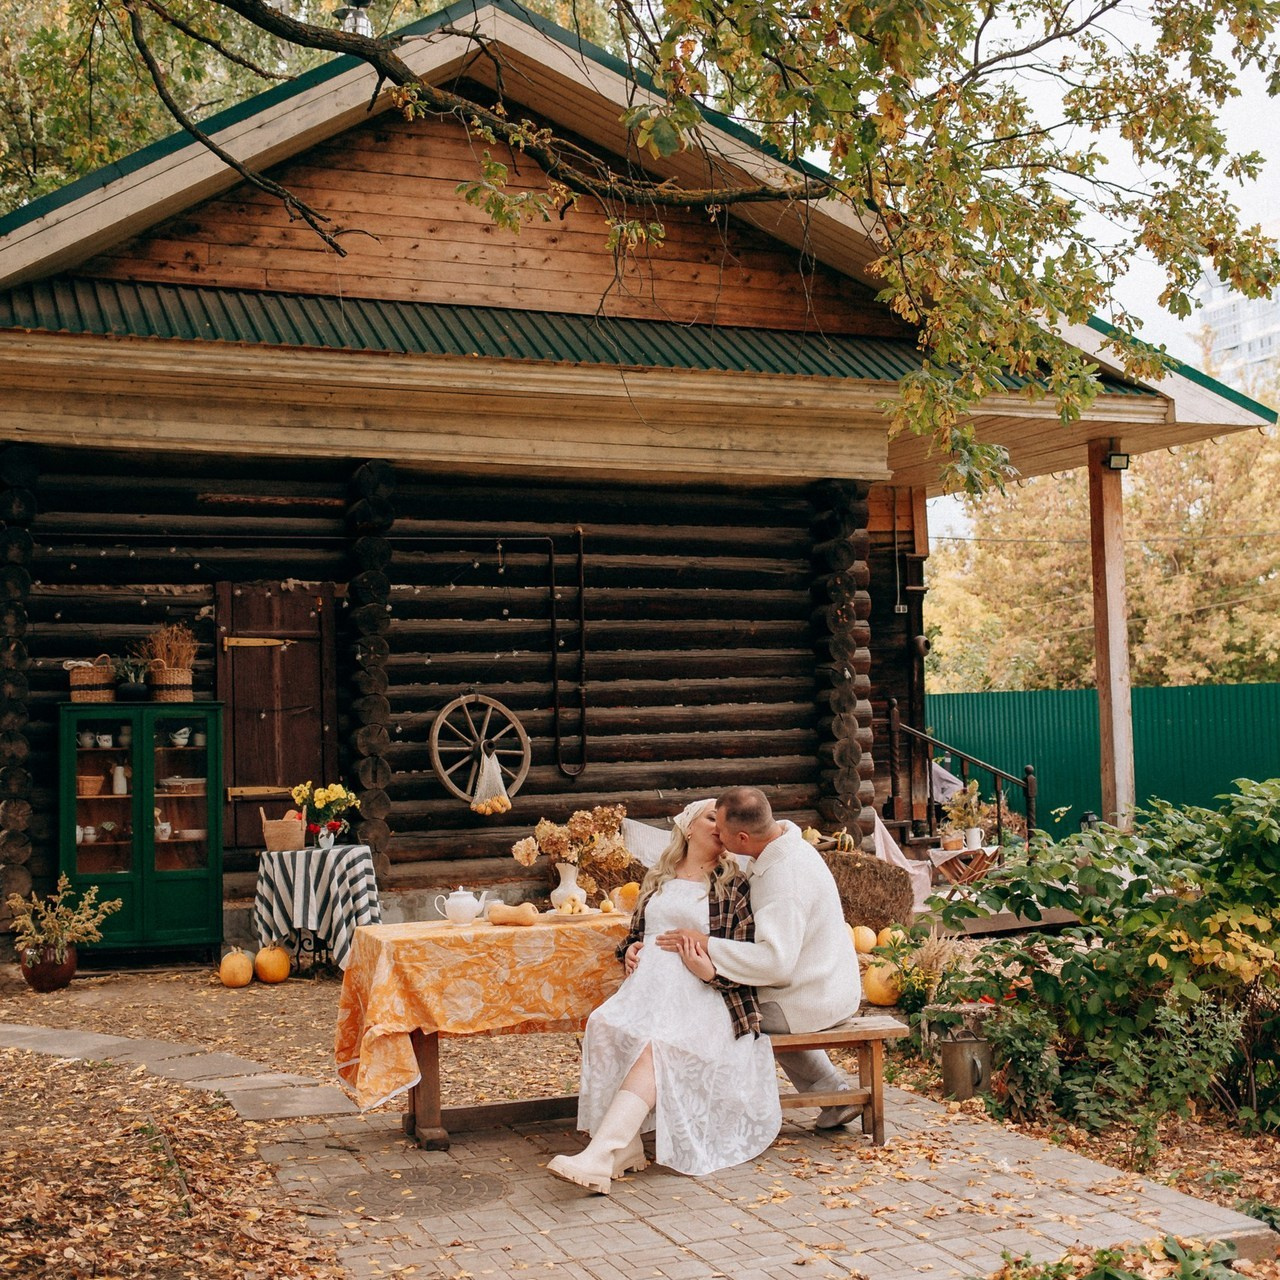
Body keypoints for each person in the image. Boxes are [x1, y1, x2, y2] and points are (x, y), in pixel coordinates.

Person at [547, 799, 782, 1194]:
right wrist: (631, 951)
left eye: (723, 821)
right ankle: (627, 1147)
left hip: (704, 1001)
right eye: (711, 818)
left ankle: (600, 1154)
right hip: (649, 995)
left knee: (659, 1047)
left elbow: (748, 959)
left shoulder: (733, 885)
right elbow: (637, 934)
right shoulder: (658, 877)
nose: (719, 826)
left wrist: (711, 970)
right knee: (603, 1025)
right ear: (688, 828)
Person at [656, 786, 863, 1129]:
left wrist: (706, 945)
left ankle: (717, 1114)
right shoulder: (780, 844)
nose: (716, 835)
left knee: (724, 1007)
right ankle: (831, 1090)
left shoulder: (785, 880)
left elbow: (774, 962)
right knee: (733, 996)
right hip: (820, 977)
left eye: (720, 830)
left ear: (741, 836)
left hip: (814, 992)